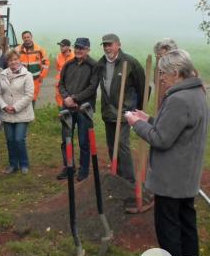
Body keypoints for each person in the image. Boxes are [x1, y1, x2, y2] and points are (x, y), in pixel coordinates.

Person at [125, 50, 208, 256]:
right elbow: (177, 128)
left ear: (176, 73)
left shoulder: (178, 99)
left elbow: (161, 139)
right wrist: (149, 118)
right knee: (186, 223)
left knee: (168, 225)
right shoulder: (197, 93)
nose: (161, 78)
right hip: (187, 174)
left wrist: (136, 124)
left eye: (163, 73)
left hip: (171, 176)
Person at [94, 33, 146, 183]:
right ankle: (117, 176)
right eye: (104, 45)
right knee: (111, 145)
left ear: (118, 45)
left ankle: (129, 180)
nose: (107, 47)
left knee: (122, 144)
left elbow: (141, 86)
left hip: (125, 111)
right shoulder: (101, 63)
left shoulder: (130, 62)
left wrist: (137, 110)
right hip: (108, 111)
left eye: (110, 44)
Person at [56, 37, 99, 181]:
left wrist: (75, 99)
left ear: (88, 49)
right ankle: (69, 166)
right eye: (77, 48)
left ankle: (84, 169)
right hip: (67, 107)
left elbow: (92, 88)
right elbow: (61, 84)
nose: (79, 50)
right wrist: (67, 98)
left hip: (84, 109)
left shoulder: (94, 66)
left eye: (82, 48)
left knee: (83, 141)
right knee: (66, 139)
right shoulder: (68, 65)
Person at [0, 49, 35, 174]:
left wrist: (15, 107)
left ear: (19, 60)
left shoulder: (27, 75)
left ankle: (24, 164)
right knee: (10, 140)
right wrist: (4, 106)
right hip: (6, 113)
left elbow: (29, 95)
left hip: (22, 113)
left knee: (19, 139)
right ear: (7, 62)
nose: (13, 62)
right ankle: (13, 165)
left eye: (15, 59)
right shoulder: (2, 75)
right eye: (10, 60)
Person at [15, 30, 49, 105]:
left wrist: (42, 76)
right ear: (22, 38)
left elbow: (46, 63)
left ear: (31, 37)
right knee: (21, 97)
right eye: (24, 37)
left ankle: (31, 115)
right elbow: (13, 63)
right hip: (21, 78)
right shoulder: (17, 49)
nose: (26, 39)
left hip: (35, 78)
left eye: (28, 37)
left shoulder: (39, 49)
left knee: (33, 97)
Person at [153, 38, 179, 109]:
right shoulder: (159, 68)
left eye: (162, 56)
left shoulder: (181, 70)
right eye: (158, 56)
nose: (159, 60)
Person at [53, 39, 76, 108]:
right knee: (58, 98)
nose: (61, 47)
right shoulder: (58, 56)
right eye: (60, 46)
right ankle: (62, 114)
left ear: (68, 47)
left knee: (69, 99)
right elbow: (58, 69)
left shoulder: (74, 57)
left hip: (70, 83)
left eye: (63, 46)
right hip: (59, 83)